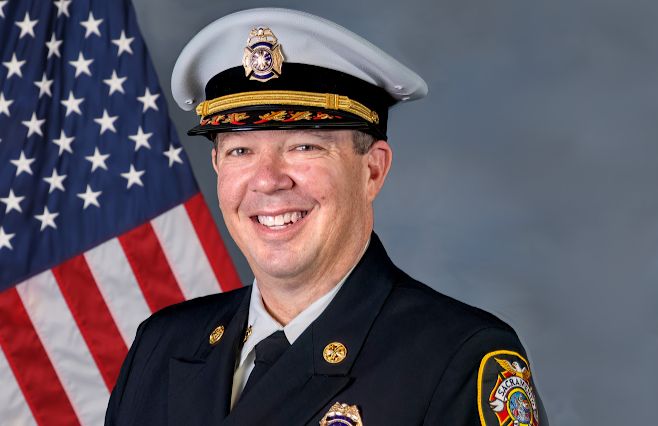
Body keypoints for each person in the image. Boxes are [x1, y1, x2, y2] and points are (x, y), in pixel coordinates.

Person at [105, 8, 548, 426]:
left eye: (304, 147)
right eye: (241, 150)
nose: (268, 181)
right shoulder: (161, 346)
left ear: (372, 170)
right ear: (218, 167)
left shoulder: (460, 360)